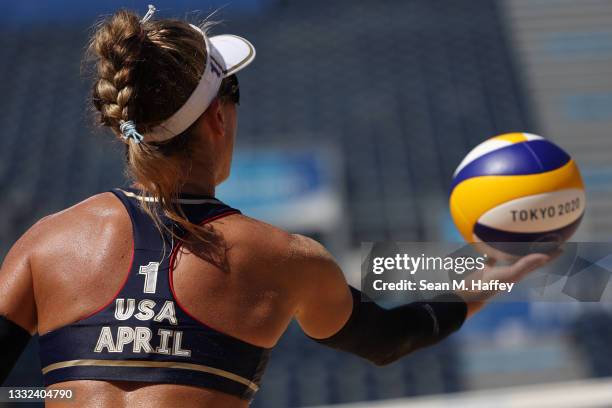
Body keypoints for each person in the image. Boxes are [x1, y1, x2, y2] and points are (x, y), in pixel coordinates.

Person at [0, 6, 553, 408]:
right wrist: (476, 288)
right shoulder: (284, 259)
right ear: (218, 118)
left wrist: (47, 391)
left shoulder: (46, 244)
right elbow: (391, 340)